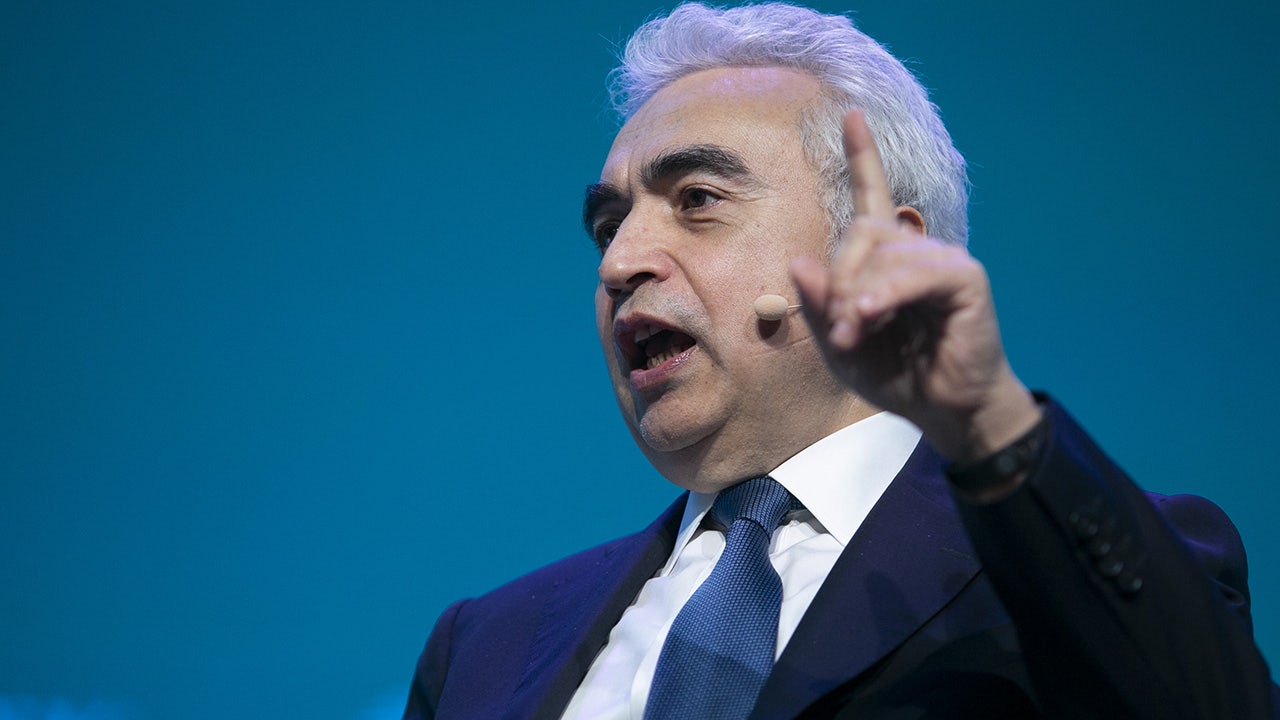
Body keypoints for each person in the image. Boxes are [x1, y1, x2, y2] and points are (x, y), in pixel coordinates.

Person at [403, 3, 1278, 718]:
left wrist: (987, 423)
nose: (619, 261)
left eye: (697, 199)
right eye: (608, 226)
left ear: (882, 247)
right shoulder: (483, 647)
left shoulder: (1068, 572)